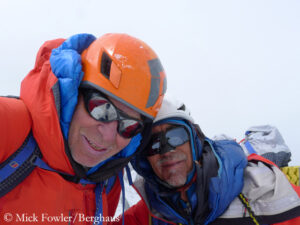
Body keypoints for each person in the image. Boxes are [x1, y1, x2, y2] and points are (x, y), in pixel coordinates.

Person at [0, 33, 166, 225]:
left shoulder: (106, 181)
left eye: (129, 126)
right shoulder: (10, 126)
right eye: (101, 108)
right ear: (74, 93)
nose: (108, 135)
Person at [114, 96, 300, 225]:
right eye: (152, 144)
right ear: (144, 159)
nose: (166, 151)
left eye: (176, 136)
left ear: (196, 140)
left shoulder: (264, 190)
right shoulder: (150, 213)